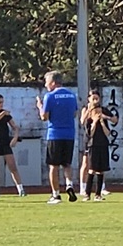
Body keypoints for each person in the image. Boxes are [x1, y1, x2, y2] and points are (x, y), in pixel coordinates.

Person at [37, 71, 80, 204]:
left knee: (53, 166)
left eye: (47, 82)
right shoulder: (72, 95)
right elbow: (74, 113)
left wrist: (40, 107)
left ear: (53, 83)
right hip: (69, 134)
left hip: (55, 134)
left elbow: (44, 117)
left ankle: (55, 195)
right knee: (67, 164)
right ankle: (69, 184)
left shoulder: (49, 96)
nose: (46, 85)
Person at [0, 93, 25, 198]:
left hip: (5, 142)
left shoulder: (6, 115)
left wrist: (15, 138)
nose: (1, 104)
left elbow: (15, 127)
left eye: (2, 102)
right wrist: (3, 113)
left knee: (12, 166)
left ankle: (20, 189)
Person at [81, 90, 116, 200]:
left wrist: (104, 118)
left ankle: (98, 194)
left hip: (103, 143)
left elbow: (113, 122)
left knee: (101, 170)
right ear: (89, 99)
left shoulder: (103, 110)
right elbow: (86, 127)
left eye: (97, 98)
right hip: (92, 144)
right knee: (91, 168)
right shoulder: (87, 113)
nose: (95, 101)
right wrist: (94, 120)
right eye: (93, 98)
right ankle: (87, 193)